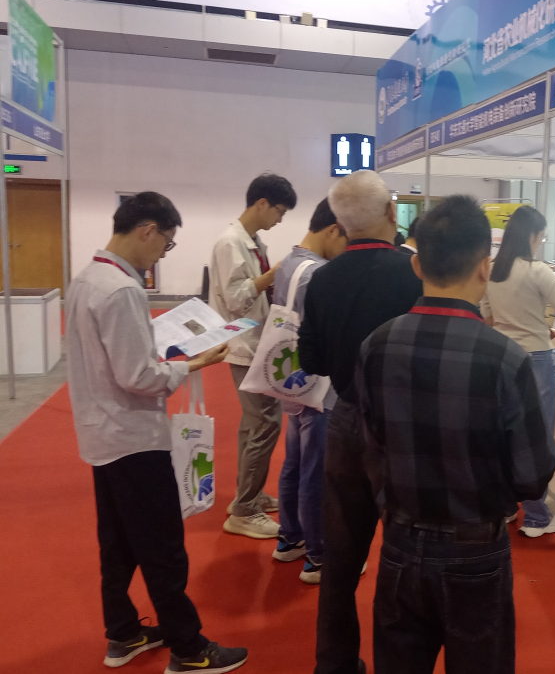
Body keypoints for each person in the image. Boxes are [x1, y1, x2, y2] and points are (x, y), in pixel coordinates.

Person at [356, 195, 555, 674]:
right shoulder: (506, 358)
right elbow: (532, 475)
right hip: (477, 548)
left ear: (417, 265)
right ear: (485, 267)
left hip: (400, 541)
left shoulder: (376, 345)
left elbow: (371, 449)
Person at [66, 192, 248, 674]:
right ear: (147, 230)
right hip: (133, 438)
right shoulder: (121, 289)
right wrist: (191, 364)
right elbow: (139, 376)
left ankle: (123, 632)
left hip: (102, 435)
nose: (162, 254)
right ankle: (189, 649)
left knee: (119, 544)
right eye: (166, 243)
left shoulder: (86, 279)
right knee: (162, 547)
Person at [298, 170, 423, 674]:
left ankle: (334, 662)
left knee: (341, 556)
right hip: (403, 427)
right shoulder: (413, 272)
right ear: (392, 212)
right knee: (404, 551)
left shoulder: (323, 278)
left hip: (346, 420)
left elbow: (310, 360)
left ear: (340, 222)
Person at [480, 205, 555, 537]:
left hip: (501, 358)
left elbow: (488, 319)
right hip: (536, 360)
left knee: (503, 434)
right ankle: (536, 516)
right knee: (537, 438)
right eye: (542, 237)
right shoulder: (538, 270)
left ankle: (505, 507)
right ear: (532, 235)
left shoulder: (492, 269)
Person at [209, 173, 297, 540]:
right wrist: (273, 274)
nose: (279, 219)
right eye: (279, 211)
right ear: (261, 203)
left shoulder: (252, 241)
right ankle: (244, 510)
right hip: (244, 344)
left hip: (256, 341)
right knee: (265, 424)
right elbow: (236, 299)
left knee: (253, 425)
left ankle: (249, 494)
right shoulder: (231, 243)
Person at [270, 199, 349, 584]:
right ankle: (318, 556)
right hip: (316, 381)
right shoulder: (318, 273)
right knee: (316, 469)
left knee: (295, 461)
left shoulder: (288, 263)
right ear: (333, 230)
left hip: (290, 377)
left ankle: (291, 537)